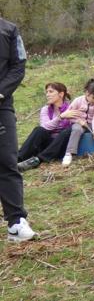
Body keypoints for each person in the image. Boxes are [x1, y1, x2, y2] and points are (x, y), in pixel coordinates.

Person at [0, 16, 36, 242]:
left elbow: (18, 64)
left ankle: (15, 222)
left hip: (2, 105)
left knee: (6, 160)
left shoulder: (9, 30)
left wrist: (1, 92)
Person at [17, 82, 80, 171]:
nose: (47, 95)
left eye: (51, 92)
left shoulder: (71, 108)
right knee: (39, 130)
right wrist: (61, 117)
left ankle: (38, 160)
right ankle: (17, 159)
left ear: (61, 94)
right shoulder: (45, 109)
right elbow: (45, 127)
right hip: (47, 143)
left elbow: (78, 125)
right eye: (47, 92)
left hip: (62, 146)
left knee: (68, 130)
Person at [61, 79, 94, 167]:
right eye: (93, 97)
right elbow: (68, 115)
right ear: (87, 93)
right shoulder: (78, 101)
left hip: (91, 124)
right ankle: (69, 153)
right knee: (76, 130)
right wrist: (78, 121)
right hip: (78, 123)